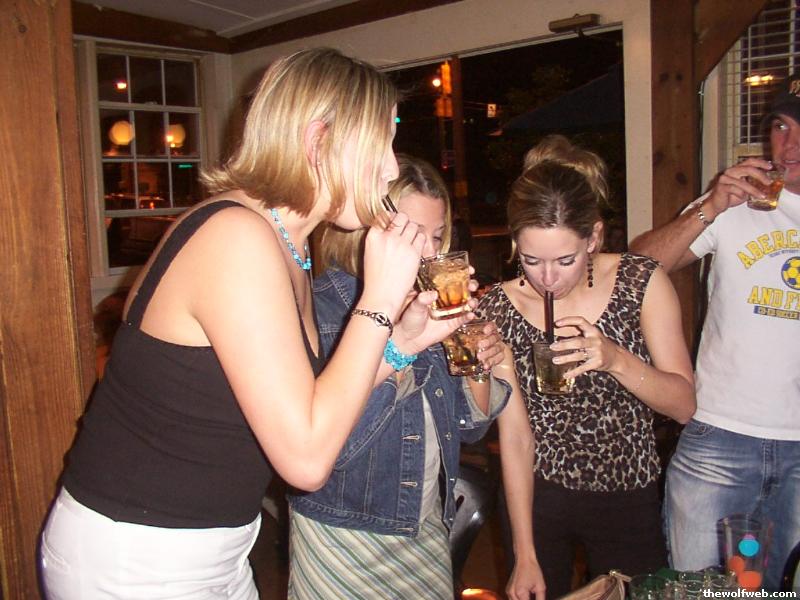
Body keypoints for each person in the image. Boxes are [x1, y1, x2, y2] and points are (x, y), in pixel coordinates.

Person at [39, 48, 472, 599]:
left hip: (214, 545)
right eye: (379, 145)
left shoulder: (291, 244)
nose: (390, 169)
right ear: (317, 141)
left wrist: (400, 344)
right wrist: (380, 300)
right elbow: (306, 461)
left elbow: (311, 405)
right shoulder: (235, 237)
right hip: (135, 554)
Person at [477, 135, 696, 599]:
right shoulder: (498, 306)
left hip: (627, 494)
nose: (547, 278)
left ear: (593, 237)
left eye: (565, 260)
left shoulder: (640, 281)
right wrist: (524, 553)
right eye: (531, 260)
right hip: (538, 497)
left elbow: (684, 406)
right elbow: (515, 437)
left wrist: (615, 359)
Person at [287, 154, 513, 599]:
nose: (429, 252)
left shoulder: (430, 301)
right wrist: (400, 351)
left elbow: (471, 428)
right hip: (342, 535)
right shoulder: (325, 310)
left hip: (424, 527)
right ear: (368, 233)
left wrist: (478, 362)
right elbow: (324, 455)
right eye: (411, 234)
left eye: (437, 235)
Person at [629, 75, 800, 591]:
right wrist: (711, 206)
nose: (789, 145)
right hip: (720, 439)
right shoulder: (737, 203)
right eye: (781, 127)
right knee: (701, 592)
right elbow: (637, 270)